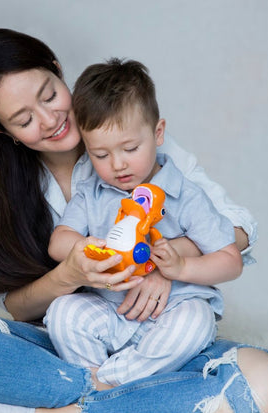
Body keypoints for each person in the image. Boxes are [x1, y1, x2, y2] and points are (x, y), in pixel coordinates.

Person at [0, 28, 268, 413]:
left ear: (57, 69)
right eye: (25, 119)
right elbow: (18, 309)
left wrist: (162, 261)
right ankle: (126, 399)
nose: (50, 120)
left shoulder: (130, 136)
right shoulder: (0, 191)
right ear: (4, 131)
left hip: (161, 336)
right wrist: (69, 275)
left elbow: (237, 227)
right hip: (71, 345)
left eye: (49, 95)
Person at [44, 58, 243, 387]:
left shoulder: (186, 195)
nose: (118, 165)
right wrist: (93, 246)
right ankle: (107, 377)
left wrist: (180, 269)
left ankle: (106, 383)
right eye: (101, 155)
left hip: (169, 313)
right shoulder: (92, 192)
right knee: (63, 313)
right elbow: (58, 241)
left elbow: (230, 261)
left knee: (197, 321)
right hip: (109, 310)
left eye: (130, 148)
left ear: (158, 132)